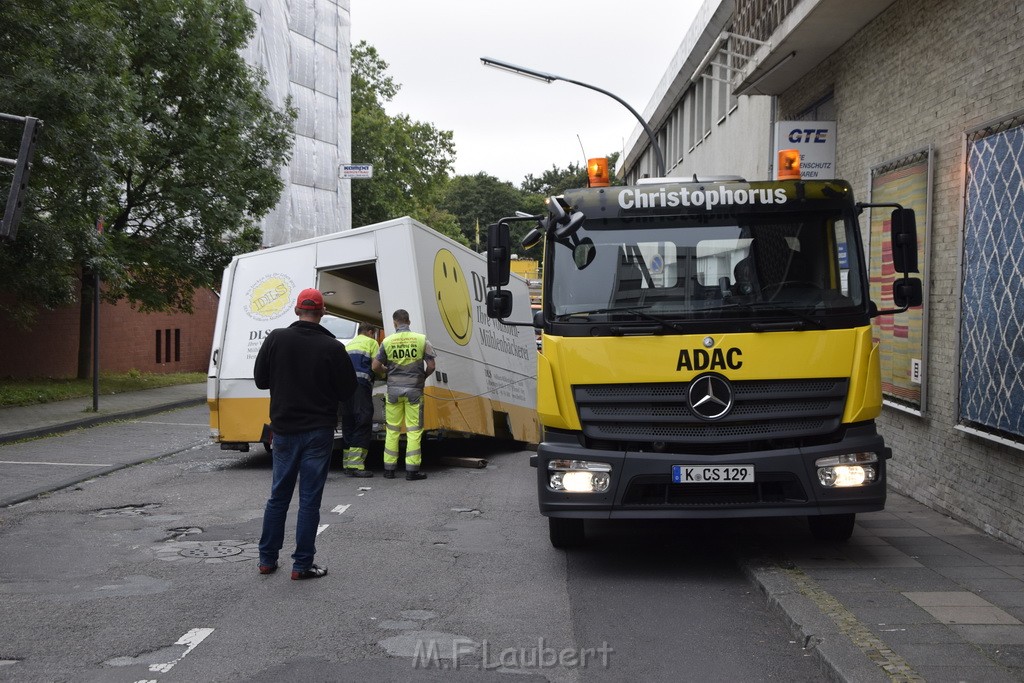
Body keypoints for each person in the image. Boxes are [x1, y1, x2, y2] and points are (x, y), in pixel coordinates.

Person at [253, 288, 356, 580]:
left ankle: (266, 560)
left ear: (297, 311)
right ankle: (301, 565)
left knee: (278, 496)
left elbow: (261, 381)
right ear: (322, 312)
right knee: (309, 500)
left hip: (284, 430)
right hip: (318, 432)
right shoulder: (333, 347)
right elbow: (348, 390)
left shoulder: (276, 338)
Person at [371, 309, 436, 481]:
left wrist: (387, 373)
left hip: (393, 392)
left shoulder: (388, 341)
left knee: (392, 430)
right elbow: (431, 366)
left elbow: (375, 366)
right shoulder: (421, 340)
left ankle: (389, 469)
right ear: (409, 321)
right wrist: (421, 378)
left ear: (394, 323)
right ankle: (412, 471)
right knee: (414, 431)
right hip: (414, 391)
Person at [340, 322, 379, 478]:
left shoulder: (348, 345)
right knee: (363, 421)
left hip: (344, 388)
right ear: (370, 332)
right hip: (360, 386)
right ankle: (356, 465)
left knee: (348, 422)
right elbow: (376, 366)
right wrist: (385, 374)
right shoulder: (372, 343)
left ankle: (347, 464)